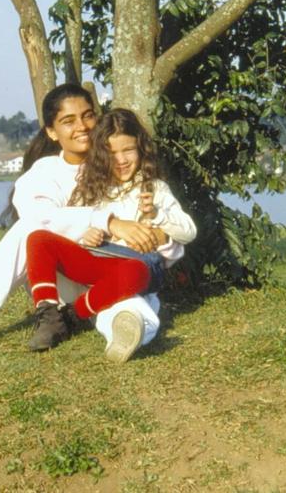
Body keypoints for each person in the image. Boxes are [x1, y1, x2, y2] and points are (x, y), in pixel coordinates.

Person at [0, 84, 165, 360]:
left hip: (111, 275)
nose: (82, 126)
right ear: (51, 131)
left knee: (128, 304)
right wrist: (107, 222)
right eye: (68, 121)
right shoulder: (44, 172)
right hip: (62, 278)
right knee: (27, 229)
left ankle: (125, 329)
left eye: (88, 116)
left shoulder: (120, 163)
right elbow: (40, 218)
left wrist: (155, 231)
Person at [25, 108, 197, 362]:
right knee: (38, 239)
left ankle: (77, 317)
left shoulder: (154, 189)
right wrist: (87, 234)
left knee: (130, 295)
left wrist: (156, 214)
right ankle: (49, 315)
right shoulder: (91, 188)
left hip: (136, 270)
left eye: (128, 150)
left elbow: (189, 232)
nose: (121, 160)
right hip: (98, 264)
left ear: (141, 149)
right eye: (111, 153)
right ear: (99, 155)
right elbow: (74, 227)